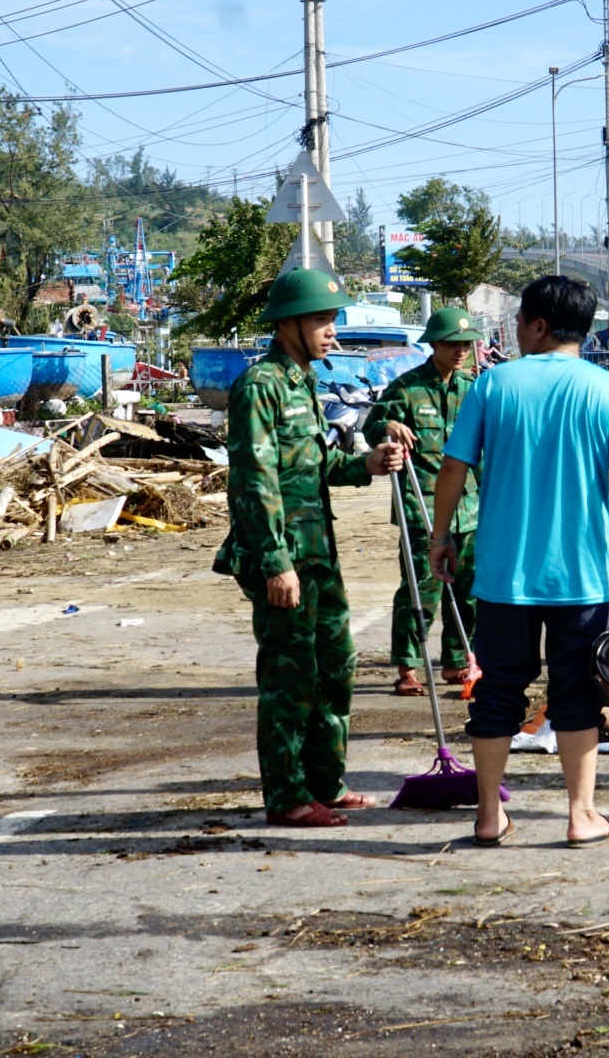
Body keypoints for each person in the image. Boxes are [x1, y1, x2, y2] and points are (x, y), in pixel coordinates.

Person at [429, 275, 609, 848]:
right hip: (581, 579)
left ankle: (488, 817)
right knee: (576, 694)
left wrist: (440, 536)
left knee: (498, 692)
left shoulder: (492, 385)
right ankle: (582, 817)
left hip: (504, 578)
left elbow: (454, 469)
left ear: (536, 325)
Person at [214, 268, 406, 829]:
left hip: (319, 553)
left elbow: (313, 467)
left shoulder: (303, 383)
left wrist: (366, 464)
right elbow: (254, 480)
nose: (331, 331)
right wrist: (276, 563)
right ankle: (287, 795)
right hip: (284, 557)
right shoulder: (261, 385)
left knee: (334, 668)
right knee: (290, 677)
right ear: (288, 323)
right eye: (321, 320)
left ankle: (326, 782)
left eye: (331, 320)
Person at [365, 306, 481, 698]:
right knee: (422, 586)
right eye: (452, 344)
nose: (460, 351)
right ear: (434, 344)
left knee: (467, 587)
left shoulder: (474, 389)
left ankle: (455, 659)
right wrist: (387, 425)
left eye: (466, 344)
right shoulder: (407, 387)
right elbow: (371, 427)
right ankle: (408, 666)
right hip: (422, 502)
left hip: (469, 505)